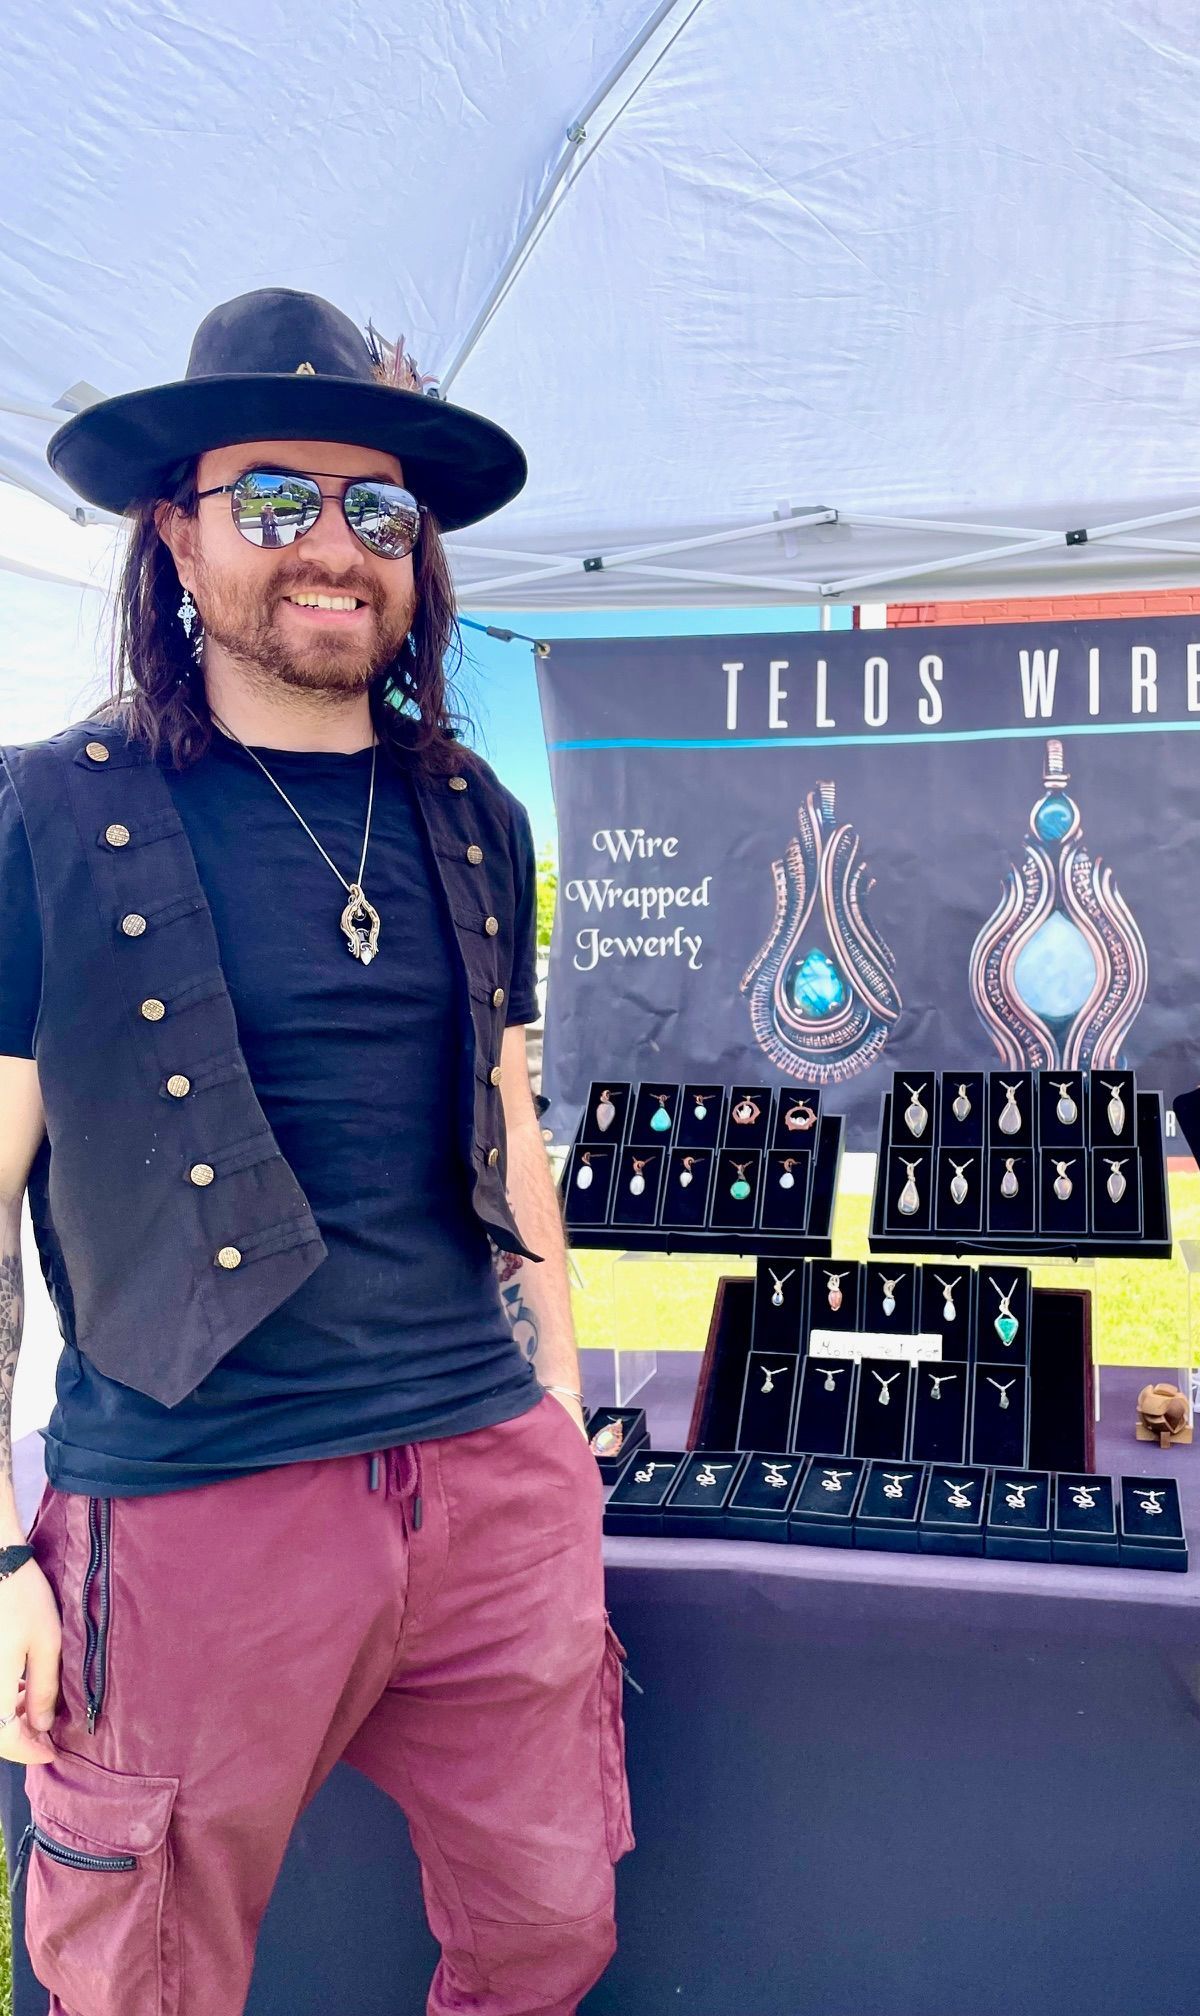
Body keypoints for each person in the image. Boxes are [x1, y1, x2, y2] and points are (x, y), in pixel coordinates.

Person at [0, 287, 631, 2016]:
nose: (333, 545)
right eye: (275, 500)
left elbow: (509, 1117)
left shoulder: (469, 810)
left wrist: (559, 1429)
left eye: (376, 507)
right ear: (176, 532)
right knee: (150, 1982)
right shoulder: (49, 812)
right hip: (195, 1501)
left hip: (487, 1479)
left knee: (551, 1931)